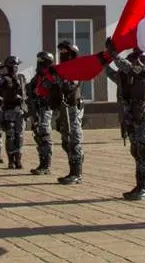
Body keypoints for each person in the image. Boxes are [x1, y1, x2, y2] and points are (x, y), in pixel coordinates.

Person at [104, 44, 145, 200]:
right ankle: (139, 185)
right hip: (131, 113)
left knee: (144, 149)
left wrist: (114, 55)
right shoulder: (131, 59)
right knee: (136, 150)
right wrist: (103, 64)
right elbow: (118, 77)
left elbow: (133, 69)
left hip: (143, 111)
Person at [53, 41, 85, 185]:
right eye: (60, 52)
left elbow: (70, 86)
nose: (62, 54)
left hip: (73, 108)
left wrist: (57, 80)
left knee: (74, 140)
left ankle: (77, 173)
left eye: (65, 52)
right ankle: (72, 170)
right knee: (66, 142)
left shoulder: (76, 68)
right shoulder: (61, 69)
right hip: (63, 108)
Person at [27, 51, 55, 175]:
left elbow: (53, 90)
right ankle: (42, 163)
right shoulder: (38, 75)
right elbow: (32, 89)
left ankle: (46, 165)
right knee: (38, 134)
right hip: (37, 107)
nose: (39, 63)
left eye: (42, 61)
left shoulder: (51, 75)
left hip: (46, 107)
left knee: (44, 134)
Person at [0, 55, 27, 170]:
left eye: (16, 65)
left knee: (19, 135)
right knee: (10, 135)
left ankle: (18, 160)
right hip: (9, 110)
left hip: (20, 110)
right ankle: (11, 161)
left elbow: (26, 92)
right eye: (13, 66)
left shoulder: (22, 77)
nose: (15, 68)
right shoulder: (3, 79)